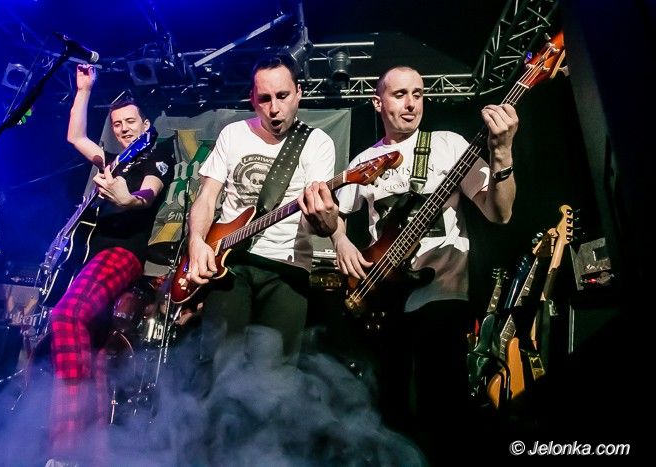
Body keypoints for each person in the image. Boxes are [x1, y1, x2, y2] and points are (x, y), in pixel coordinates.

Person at [330, 65, 518, 464]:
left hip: (443, 291)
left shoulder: (449, 145)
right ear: (377, 102)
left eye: (418, 93)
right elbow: (337, 217)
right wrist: (341, 241)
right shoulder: (365, 161)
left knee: (442, 402)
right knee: (390, 405)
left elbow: (499, 212)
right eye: (400, 94)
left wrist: (502, 153)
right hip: (384, 297)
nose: (411, 103)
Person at [47, 64, 175, 466]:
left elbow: (148, 194)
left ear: (146, 124)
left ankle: (66, 447)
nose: (122, 129)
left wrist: (126, 198)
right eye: (117, 124)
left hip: (123, 255)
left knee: (67, 316)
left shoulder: (156, 155)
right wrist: (84, 89)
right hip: (92, 257)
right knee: (96, 354)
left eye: (130, 122)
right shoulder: (113, 161)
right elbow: (75, 137)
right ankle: (95, 454)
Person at [184, 53, 338, 376]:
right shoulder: (233, 134)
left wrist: (325, 219)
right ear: (252, 99)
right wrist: (196, 241)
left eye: (283, 96)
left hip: (287, 270)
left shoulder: (317, 144)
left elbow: (322, 225)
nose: (274, 108)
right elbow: (207, 197)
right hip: (230, 264)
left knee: (272, 378)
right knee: (218, 369)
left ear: (299, 92)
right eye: (265, 99)